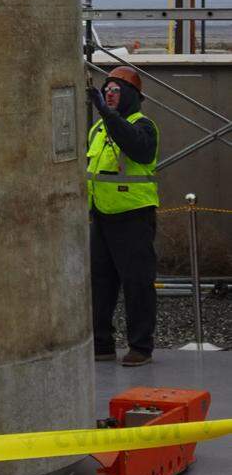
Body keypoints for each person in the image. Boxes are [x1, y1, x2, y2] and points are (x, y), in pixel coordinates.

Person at [88, 66, 159, 366]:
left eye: (116, 90)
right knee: (100, 283)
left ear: (130, 95)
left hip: (133, 217)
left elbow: (136, 148)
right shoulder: (99, 129)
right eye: (107, 90)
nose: (109, 94)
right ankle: (102, 344)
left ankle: (140, 346)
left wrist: (107, 114)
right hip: (102, 216)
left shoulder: (143, 126)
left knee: (137, 283)